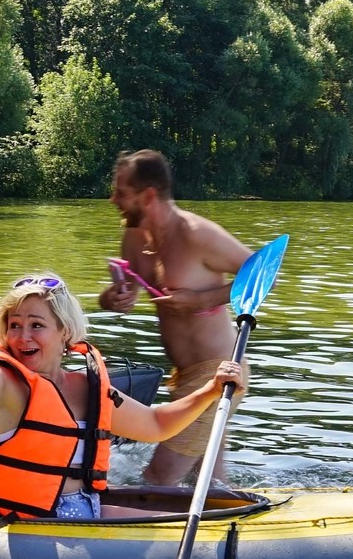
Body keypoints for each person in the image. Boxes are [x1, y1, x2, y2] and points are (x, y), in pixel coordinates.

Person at [0, 256, 244, 520]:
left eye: (36, 325)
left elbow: (155, 426)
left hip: (87, 509)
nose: (22, 336)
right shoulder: (1, 384)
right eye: (14, 325)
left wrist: (212, 390)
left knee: (195, 524)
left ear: (65, 332)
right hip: (25, 520)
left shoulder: (85, 386)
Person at [95, 149, 253, 486]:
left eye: (121, 192)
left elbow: (263, 274)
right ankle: (227, 527)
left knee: (158, 477)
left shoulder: (196, 234)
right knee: (207, 478)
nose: (113, 200)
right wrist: (114, 298)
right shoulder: (135, 237)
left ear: (148, 195)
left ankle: (133, 534)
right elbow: (117, 296)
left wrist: (202, 299)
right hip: (183, 377)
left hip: (218, 372)